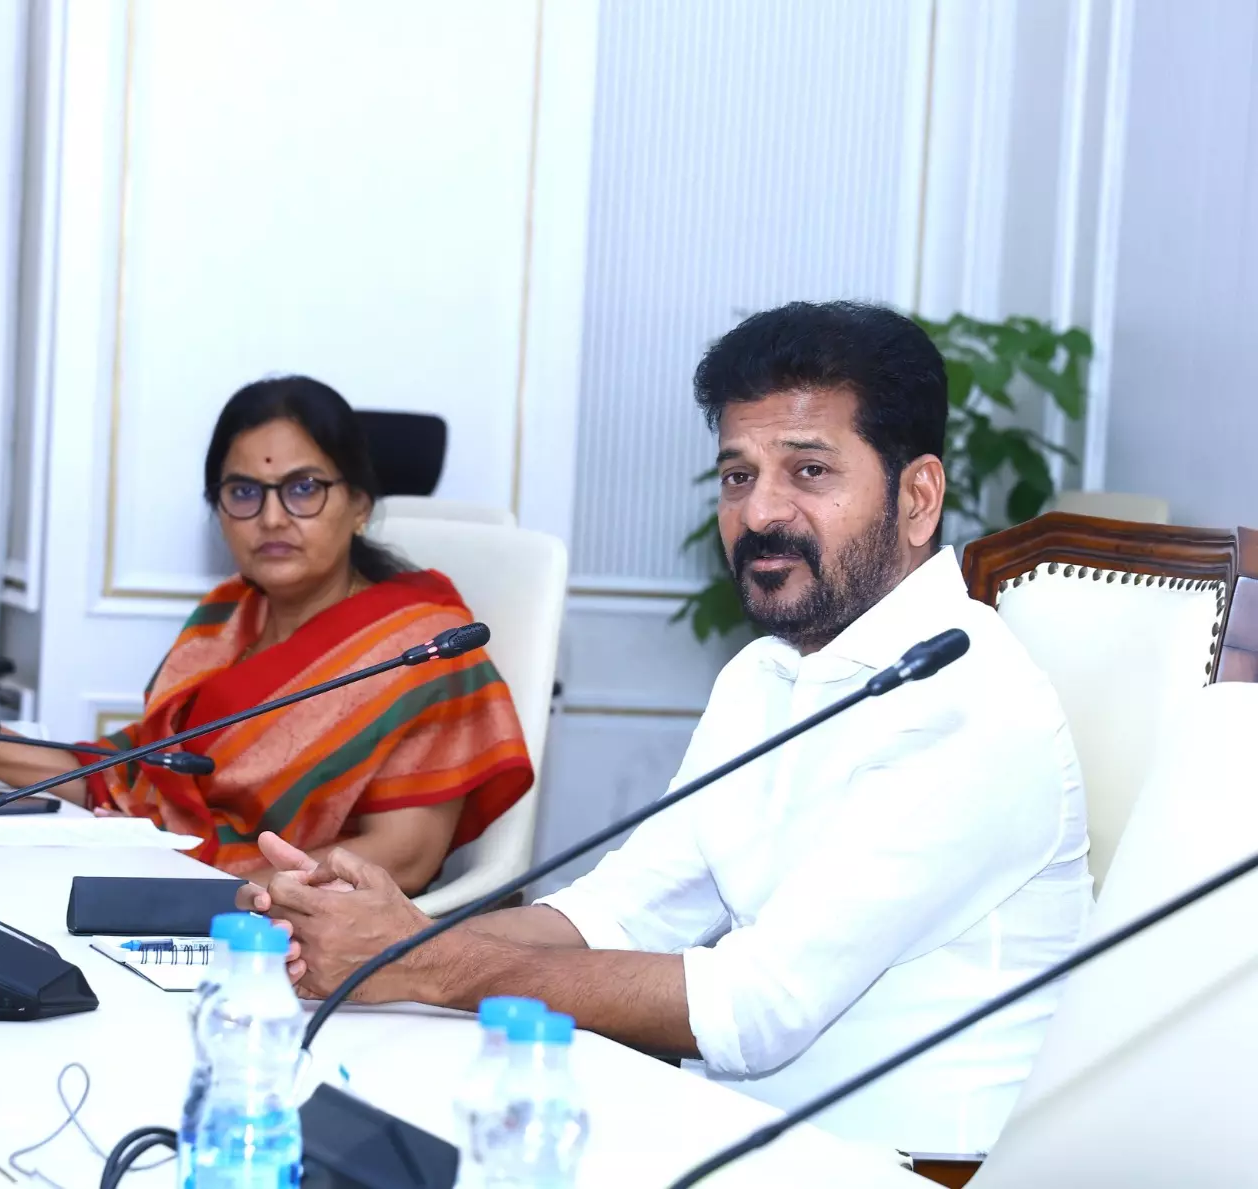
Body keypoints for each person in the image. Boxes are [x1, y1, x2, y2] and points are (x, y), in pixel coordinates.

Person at [241, 302, 1093, 1153]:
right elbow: (619, 914)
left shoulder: (969, 703)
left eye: (809, 471)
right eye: (737, 476)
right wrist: (378, 931)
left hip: (901, 1167)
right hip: (730, 1136)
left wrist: (417, 962)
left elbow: (756, 1008)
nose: (761, 512)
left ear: (918, 497)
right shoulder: (762, 677)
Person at [0, 376, 534, 890]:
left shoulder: (424, 649)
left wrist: (198, 888)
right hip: (171, 878)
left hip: (288, 928)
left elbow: (404, 858)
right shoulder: (229, 618)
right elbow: (136, 776)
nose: (271, 518)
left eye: (303, 488)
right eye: (243, 492)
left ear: (358, 505)